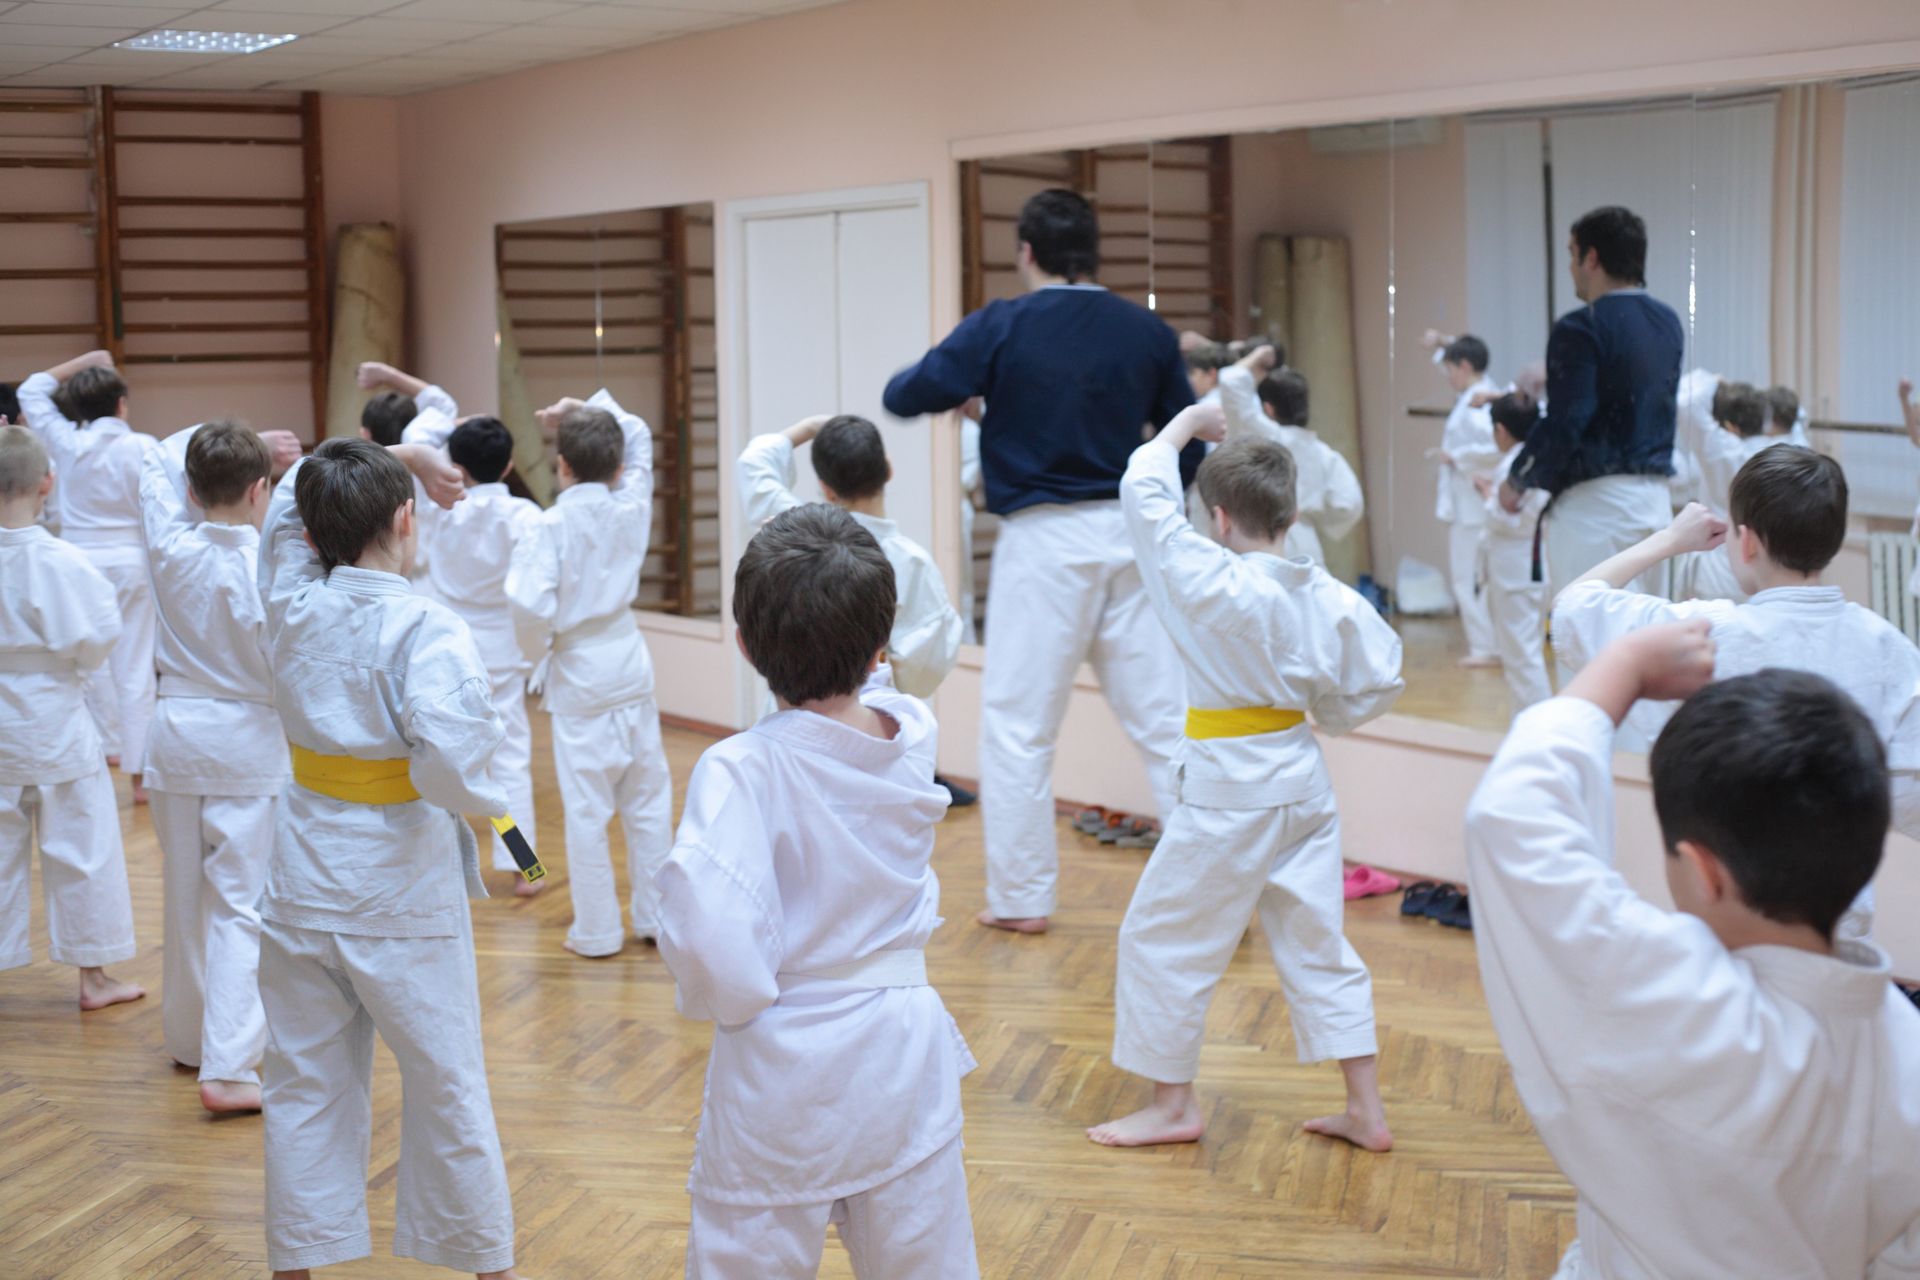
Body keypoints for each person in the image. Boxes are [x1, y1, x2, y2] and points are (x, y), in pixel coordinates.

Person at [1465, 622, 1920, 1278]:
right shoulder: (1905, 1063)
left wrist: (1620, 665)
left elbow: (1511, 819)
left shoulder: (1649, 989)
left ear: (1705, 873)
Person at [656, 504, 978, 1277]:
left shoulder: (743, 769)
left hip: (783, 1064)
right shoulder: (910, 738)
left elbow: (711, 936)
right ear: (879, 652)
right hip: (903, 1057)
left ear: (742, 646)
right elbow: (889, 697)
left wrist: (738, 1005)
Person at [1088, 402, 1403, 1151]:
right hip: (1302, 780)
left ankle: (1172, 1107)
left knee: (1162, 939)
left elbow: (1146, 495)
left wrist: (1180, 427)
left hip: (1231, 791)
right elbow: (1381, 679)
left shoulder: (1206, 579)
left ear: (1220, 519)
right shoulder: (1325, 595)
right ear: (1291, 514)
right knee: (1317, 941)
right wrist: (1327, 710)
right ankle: (1367, 1109)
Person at [883, 188, 1199, 933]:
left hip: (1043, 544)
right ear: (1093, 251)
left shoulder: (1005, 324)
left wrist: (985, 396)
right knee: (1166, 723)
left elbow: (905, 394)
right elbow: (1191, 440)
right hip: (1131, 535)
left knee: (1021, 728)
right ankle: (1217, 889)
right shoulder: (1144, 330)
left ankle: (1023, 900)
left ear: (1026, 252)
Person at [255, 436, 520, 1280]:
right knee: (445, 1077)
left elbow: (293, 510)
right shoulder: (426, 625)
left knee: (302, 1080)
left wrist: (387, 453)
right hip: (399, 886)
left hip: (301, 870)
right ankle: (487, 1264)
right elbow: (452, 760)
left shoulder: (291, 599)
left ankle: (295, 1264)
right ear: (409, 520)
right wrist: (495, 822)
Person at [1551, 447, 1920, 940]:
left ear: (1745, 542)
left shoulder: (1704, 633)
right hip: (1837, 920)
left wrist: (1669, 539)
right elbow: (1906, 795)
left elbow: (1573, 609)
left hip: (1725, 912)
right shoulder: (1890, 649)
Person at [141, 419, 299, 1113]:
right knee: (241, 904)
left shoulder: (168, 547)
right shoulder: (272, 567)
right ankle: (231, 1064)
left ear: (189, 489)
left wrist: (232, 438)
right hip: (248, 744)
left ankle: (189, 1039)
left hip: (174, 735)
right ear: (261, 490)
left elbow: (152, 456)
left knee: (185, 898)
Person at [506, 391, 672, 957]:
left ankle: (598, 931)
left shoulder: (549, 527)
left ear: (562, 466)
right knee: (647, 800)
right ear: (620, 467)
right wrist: (585, 406)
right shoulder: (633, 503)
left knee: (587, 808)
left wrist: (540, 650)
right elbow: (641, 434)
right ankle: (656, 918)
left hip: (579, 667)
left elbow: (528, 606)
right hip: (629, 657)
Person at [736, 413, 970, 803]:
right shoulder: (913, 563)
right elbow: (927, 666)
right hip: (868, 724)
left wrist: (809, 428)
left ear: (826, 489)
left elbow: (755, 463)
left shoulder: (790, 532)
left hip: (788, 717)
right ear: (889, 471)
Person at [0, 425, 143, 1012]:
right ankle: (93, 977)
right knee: (83, 846)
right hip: (56, 713)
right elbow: (97, 638)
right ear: (48, 483)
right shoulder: (66, 562)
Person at [1501, 207, 1684, 599]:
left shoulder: (1580, 327)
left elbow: (1569, 420)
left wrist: (1518, 479)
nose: (1570, 267)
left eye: (1572, 254)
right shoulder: (1667, 323)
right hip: (1654, 507)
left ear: (1592, 258)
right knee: (1650, 646)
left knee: (1590, 648)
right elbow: (1629, 384)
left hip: (1597, 514)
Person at [16, 350, 159, 801]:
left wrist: (83, 362)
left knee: (84, 663)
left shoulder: (64, 441)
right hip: (131, 558)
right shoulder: (143, 446)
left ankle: (104, 751)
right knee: (136, 666)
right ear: (121, 404)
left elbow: (29, 389)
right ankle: (139, 775)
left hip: (77, 561)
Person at [418, 416, 544, 891]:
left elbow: (416, 445)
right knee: (509, 761)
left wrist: (446, 427)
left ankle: (436, 863)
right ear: (509, 464)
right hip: (504, 652)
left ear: (455, 466)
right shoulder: (526, 518)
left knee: (441, 757)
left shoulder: (439, 510)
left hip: (449, 649)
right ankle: (524, 866)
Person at [1423, 331, 1502, 666]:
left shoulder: (1479, 402)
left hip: (1472, 503)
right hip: (1470, 501)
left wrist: (1455, 457)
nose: (1448, 375)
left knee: (1467, 577)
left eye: (1452, 368)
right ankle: (1489, 643)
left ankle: (1485, 645)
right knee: (1478, 578)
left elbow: (1495, 448)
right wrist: (1443, 342)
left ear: (1466, 366)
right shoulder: (1477, 392)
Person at [1475, 392, 1553, 716]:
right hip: (1528, 566)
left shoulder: (1518, 464)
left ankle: (1538, 729)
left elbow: (1512, 517)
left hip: (1518, 569)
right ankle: (1531, 724)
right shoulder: (1536, 456)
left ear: (1501, 430)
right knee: (1524, 653)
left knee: (1522, 657)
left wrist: (1487, 496)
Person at [1256, 370, 1365, 570]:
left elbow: (1233, 385)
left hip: (1260, 541)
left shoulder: (1261, 443)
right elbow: (1350, 503)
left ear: (1268, 409)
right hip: (1307, 541)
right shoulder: (1322, 452)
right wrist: (1323, 521)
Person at [355, 360, 459, 447]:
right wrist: (385, 373)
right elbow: (439, 402)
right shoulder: (431, 441)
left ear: (366, 434)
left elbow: (439, 401)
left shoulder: (396, 467)